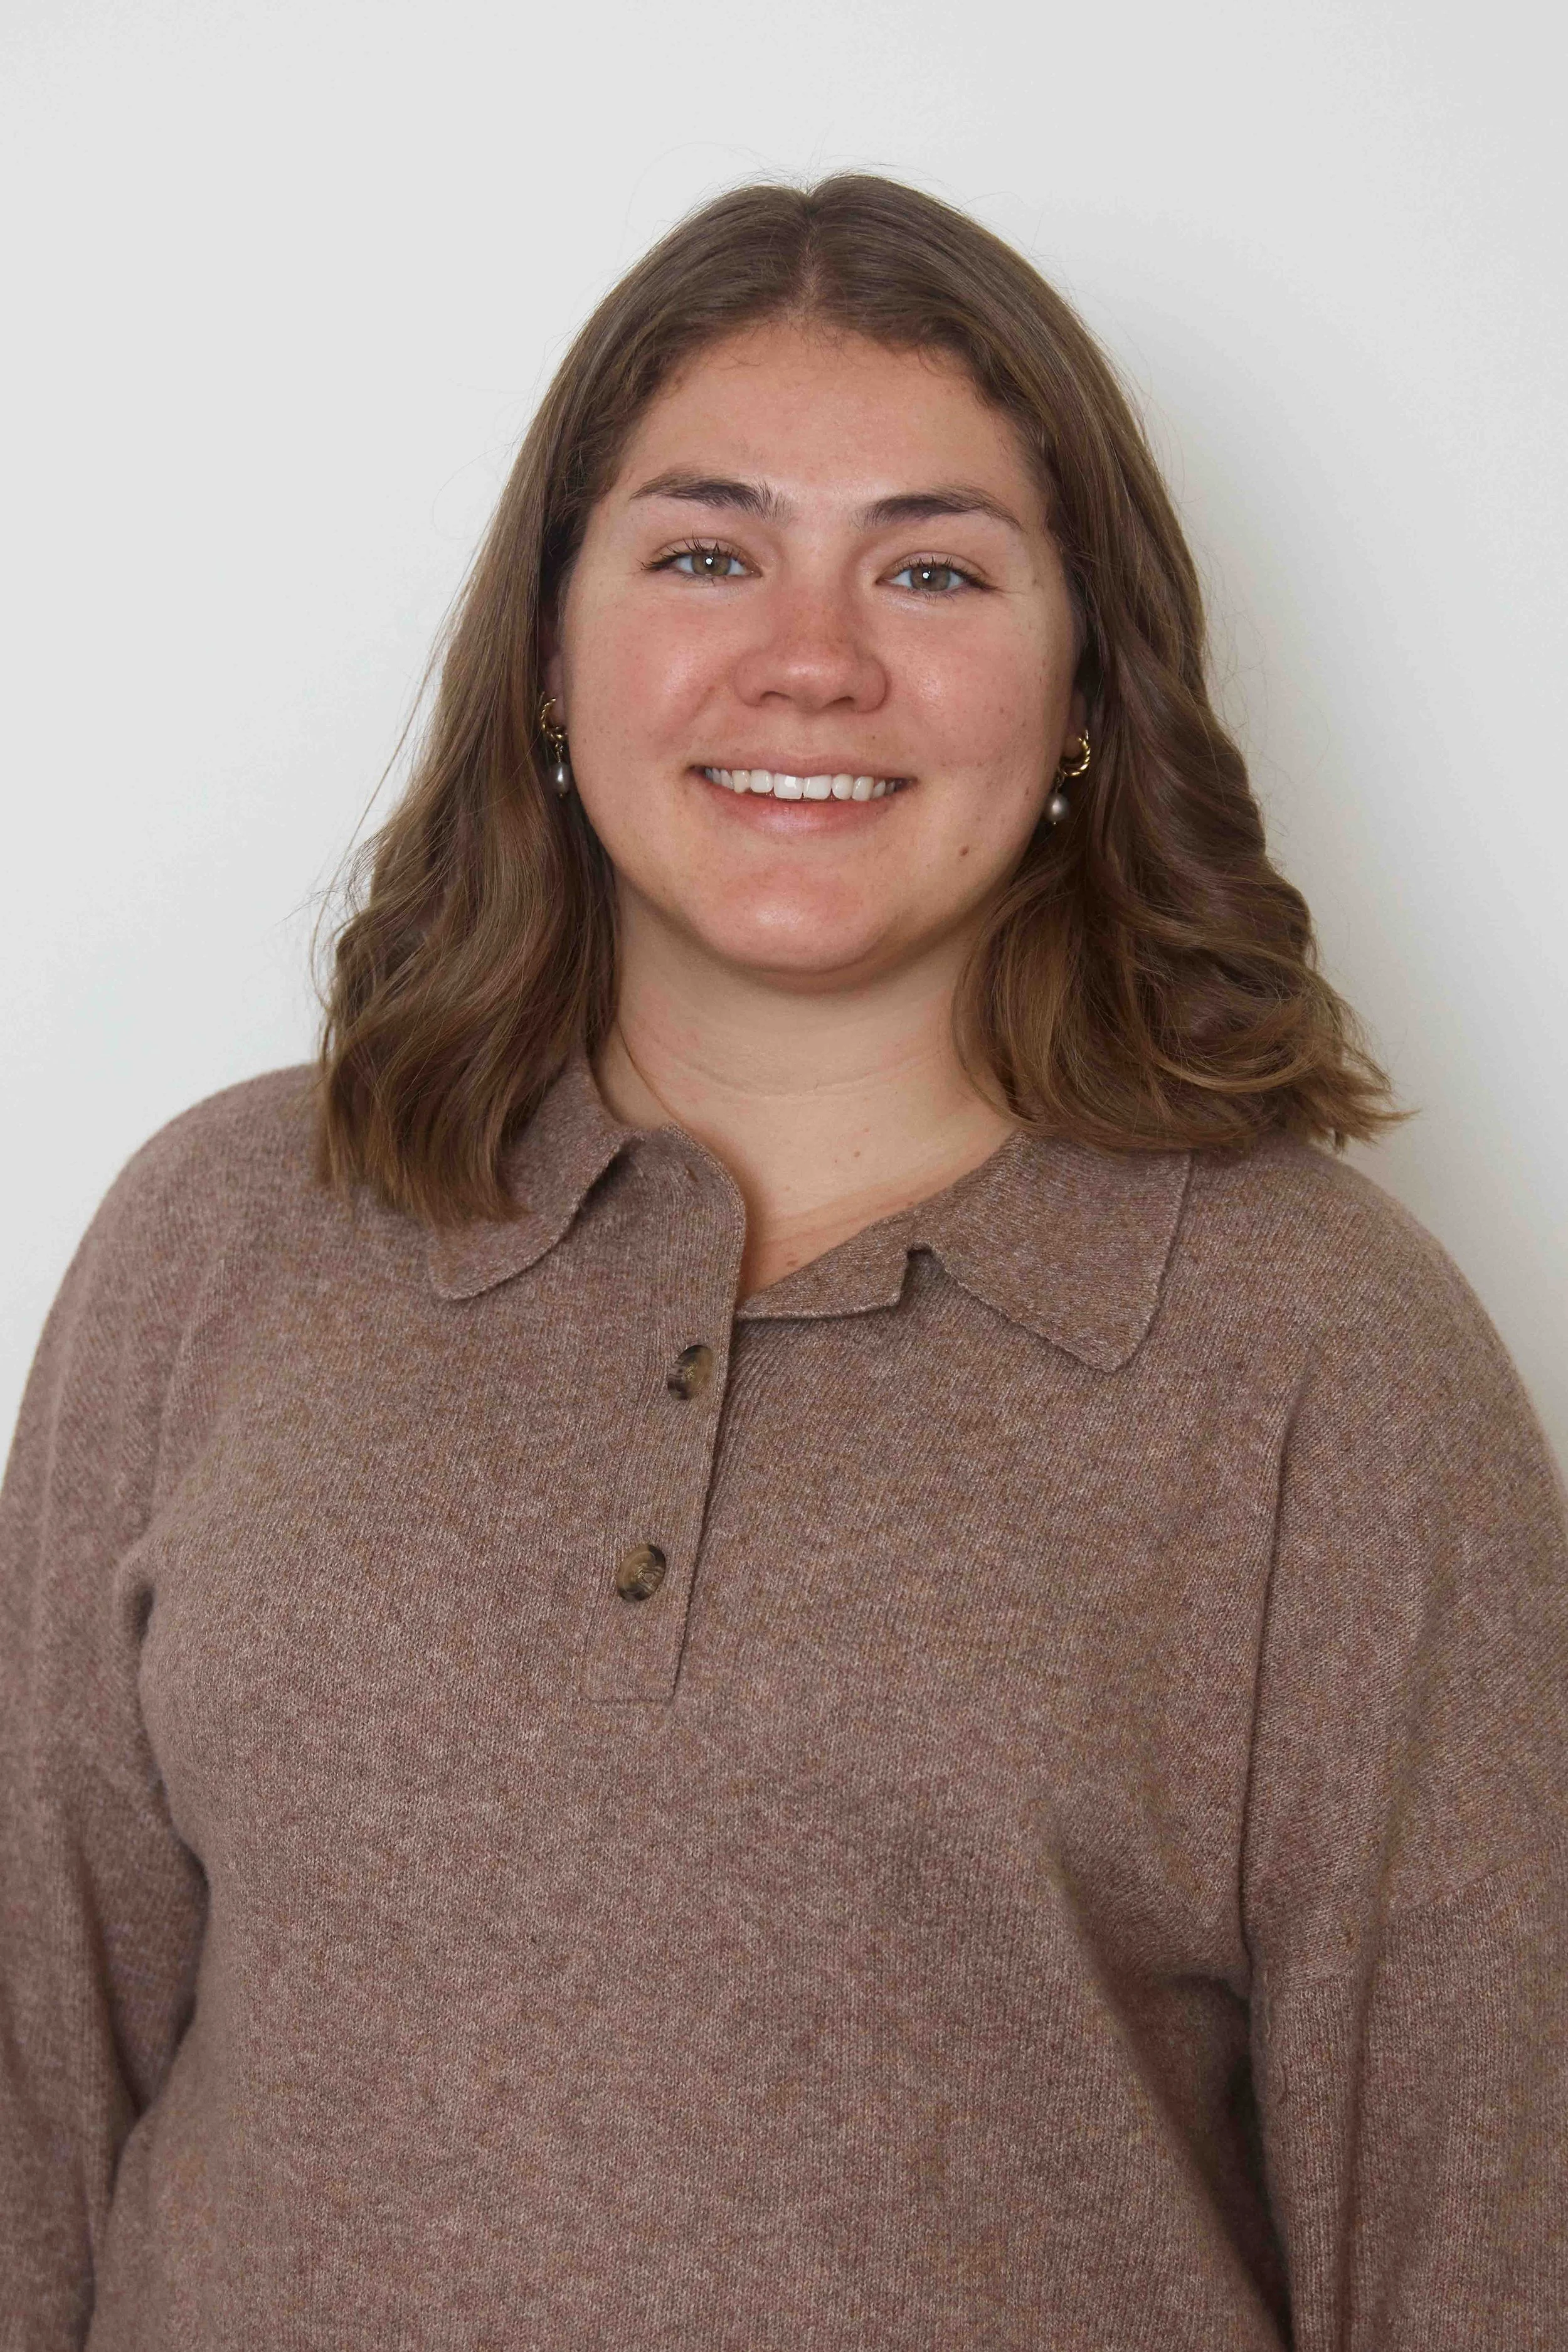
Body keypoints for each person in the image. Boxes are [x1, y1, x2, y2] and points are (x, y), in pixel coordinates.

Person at [1, 174, 1562, 2352]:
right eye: (706, 554)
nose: (811, 658)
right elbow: (30, 2094)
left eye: (932, 568)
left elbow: (1479, 2248)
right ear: (549, 659)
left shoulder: (1325, 1359)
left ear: (1086, 689)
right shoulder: (227, 1233)